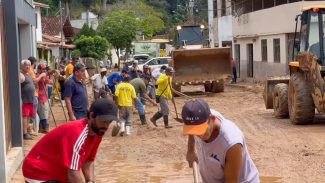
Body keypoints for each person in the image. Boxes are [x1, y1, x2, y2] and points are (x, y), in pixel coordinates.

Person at [22, 99, 118, 183]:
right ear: (92, 115)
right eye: (104, 121)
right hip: (37, 172)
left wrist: (90, 181)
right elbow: (72, 171)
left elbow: (88, 161)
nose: (106, 126)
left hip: (57, 172)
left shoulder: (97, 132)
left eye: (109, 122)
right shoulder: (77, 133)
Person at [182, 99, 259, 183]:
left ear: (212, 119)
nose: (199, 136)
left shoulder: (231, 143)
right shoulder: (201, 116)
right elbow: (192, 128)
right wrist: (191, 150)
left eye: (201, 130)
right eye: (194, 131)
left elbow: (231, 181)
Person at [28, 56, 47, 136]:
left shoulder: (32, 71)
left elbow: (47, 81)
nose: (43, 70)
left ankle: (33, 130)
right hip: (38, 96)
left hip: (40, 96)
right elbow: (35, 80)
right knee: (34, 114)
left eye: (44, 69)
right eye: (41, 69)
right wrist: (41, 75)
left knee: (37, 114)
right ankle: (31, 130)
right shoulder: (32, 72)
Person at [20, 60, 36, 140]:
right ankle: (25, 133)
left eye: (29, 65)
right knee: (25, 117)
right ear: (22, 66)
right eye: (26, 65)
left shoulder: (28, 75)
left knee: (29, 116)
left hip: (30, 100)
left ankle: (28, 132)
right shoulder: (21, 75)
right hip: (25, 100)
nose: (28, 67)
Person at [36, 64, 52, 133]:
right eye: (43, 69)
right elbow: (41, 80)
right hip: (40, 97)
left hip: (44, 97)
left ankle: (42, 129)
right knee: (43, 115)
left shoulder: (44, 75)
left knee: (45, 114)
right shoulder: (37, 75)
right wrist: (43, 75)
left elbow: (50, 82)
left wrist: (50, 74)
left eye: (45, 69)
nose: (44, 70)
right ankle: (45, 129)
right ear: (39, 69)